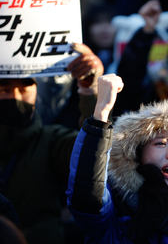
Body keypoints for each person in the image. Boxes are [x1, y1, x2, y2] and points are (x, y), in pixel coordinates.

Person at [66, 74, 168, 243]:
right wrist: (101, 113)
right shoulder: (115, 211)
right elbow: (86, 195)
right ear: (136, 155)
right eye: (160, 143)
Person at [0, 43, 103, 244]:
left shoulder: (52, 140)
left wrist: (90, 92)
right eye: (4, 90)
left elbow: (94, 154)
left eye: (24, 89)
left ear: (37, 91)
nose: (16, 97)